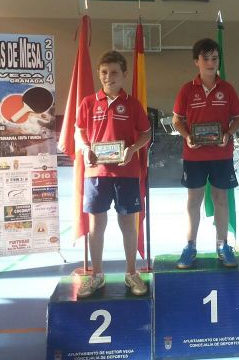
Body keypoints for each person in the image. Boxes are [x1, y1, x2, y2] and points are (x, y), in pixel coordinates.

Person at [75, 50, 152, 298]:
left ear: (124, 74)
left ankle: (131, 273)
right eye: (104, 72)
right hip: (96, 173)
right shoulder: (88, 102)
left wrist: (132, 150)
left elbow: (146, 133)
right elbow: (79, 131)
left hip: (126, 172)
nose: (109, 77)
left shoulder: (133, 104)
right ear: (99, 74)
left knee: (128, 223)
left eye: (114, 72)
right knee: (96, 225)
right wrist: (85, 148)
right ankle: (97, 275)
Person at [172, 38, 239, 269]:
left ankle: (222, 245)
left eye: (215, 58)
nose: (211, 63)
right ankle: (190, 246)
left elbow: (238, 119)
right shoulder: (186, 89)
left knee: (221, 199)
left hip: (222, 155)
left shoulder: (227, 89)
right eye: (206, 58)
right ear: (197, 61)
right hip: (194, 157)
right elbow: (177, 120)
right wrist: (187, 136)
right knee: (194, 201)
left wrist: (228, 134)